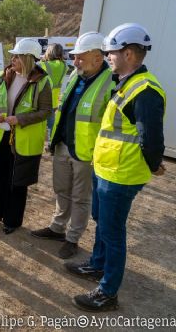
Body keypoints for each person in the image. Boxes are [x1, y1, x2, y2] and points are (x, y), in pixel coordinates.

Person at [66, 23, 166, 312]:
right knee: (102, 221)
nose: (108, 56)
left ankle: (108, 292)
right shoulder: (124, 82)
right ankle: (97, 265)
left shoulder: (145, 91)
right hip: (107, 169)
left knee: (112, 232)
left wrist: (153, 164)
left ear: (130, 54)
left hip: (122, 175)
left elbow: (153, 140)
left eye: (112, 52)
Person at [30, 32, 114, 259]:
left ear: (98, 58)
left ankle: (72, 238)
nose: (74, 62)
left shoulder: (111, 82)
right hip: (63, 144)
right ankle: (57, 228)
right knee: (61, 189)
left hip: (86, 152)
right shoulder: (77, 76)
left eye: (80, 57)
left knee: (80, 197)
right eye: (74, 57)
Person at [0, 38, 52, 234]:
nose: (12, 59)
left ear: (28, 59)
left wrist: (19, 119)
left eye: (17, 56)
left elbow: (46, 111)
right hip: (0, 136)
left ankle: (12, 220)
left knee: (17, 180)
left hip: (23, 140)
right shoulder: (7, 75)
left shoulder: (42, 81)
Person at [40, 43, 68, 134]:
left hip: (43, 100)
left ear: (49, 52)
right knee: (52, 125)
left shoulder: (43, 65)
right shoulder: (64, 66)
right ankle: (52, 144)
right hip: (54, 101)